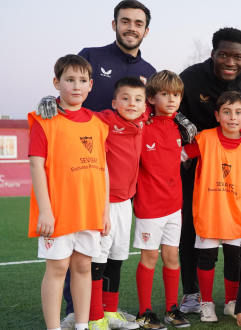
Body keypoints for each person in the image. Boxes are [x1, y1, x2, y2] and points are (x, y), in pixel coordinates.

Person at [34, 2, 156, 327]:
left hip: (112, 183)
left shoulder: (150, 71)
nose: (131, 27)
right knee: (77, 260)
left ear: (147, 29)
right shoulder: (92, 54)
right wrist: (48, 100)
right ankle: (78, 313)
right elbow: (69, 80)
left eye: (138, 22)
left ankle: (100, 313)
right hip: (81, 172)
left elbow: (161, 109)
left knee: (104, 257)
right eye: (125, 21)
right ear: (114, 24)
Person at [177, 27, 241, 314]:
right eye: (223, 55)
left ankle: (238, 297)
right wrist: (181, 122)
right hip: (198, 162)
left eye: (237, 57)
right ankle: (192, 294)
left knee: (239, 235)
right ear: (213, 54)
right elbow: (166, 109)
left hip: (234, 164)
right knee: (192, 230)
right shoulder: (192, 78)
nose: (230, 62)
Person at [28, 54, 110, 330]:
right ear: (56, 82)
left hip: (89, 211)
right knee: (58, 269)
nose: (76, 86)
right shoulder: (44, 121)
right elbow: (37, 167)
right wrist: (46, 211)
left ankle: (81, 325)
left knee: (83, 268)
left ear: (91, 85)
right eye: (70, 79)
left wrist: (105, 210)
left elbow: (103, 169)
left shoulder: (99, 124)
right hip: (59, 212)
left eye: (82, 80)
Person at [182, 91, 241, 322]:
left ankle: (231, 302)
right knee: (206, 259)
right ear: (217, 115)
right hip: (209, 212)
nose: (232, 117)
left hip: (235, 212)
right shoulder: (205, 138)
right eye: (226, 112)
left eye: (238, 113)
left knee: (233, 259)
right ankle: (206, 304)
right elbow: (180, 155)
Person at [85, 77, 147, 330]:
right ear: (114, 102)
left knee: (117, 259)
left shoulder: (143, 120)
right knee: (96, 261)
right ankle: (93, 317)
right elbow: (76, 111)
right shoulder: (104, 119)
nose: (132, 103)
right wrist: (52, 102)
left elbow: (166, 104)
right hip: (104, 202)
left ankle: (110, 313)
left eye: (138, 99)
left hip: (125, 203)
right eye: (125, 98)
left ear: (145, 105)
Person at [133, 71, 190, 329]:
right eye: (164, 94)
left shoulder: (180, 128)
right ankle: (144, 312)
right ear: (152, 97)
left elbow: (192, 151)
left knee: (172, 257)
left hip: (173, 206)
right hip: (149, 207)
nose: (171, 99)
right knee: (149, 259)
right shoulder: (142, 126)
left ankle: (171, 309)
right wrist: (145, 107)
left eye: (176, 95)